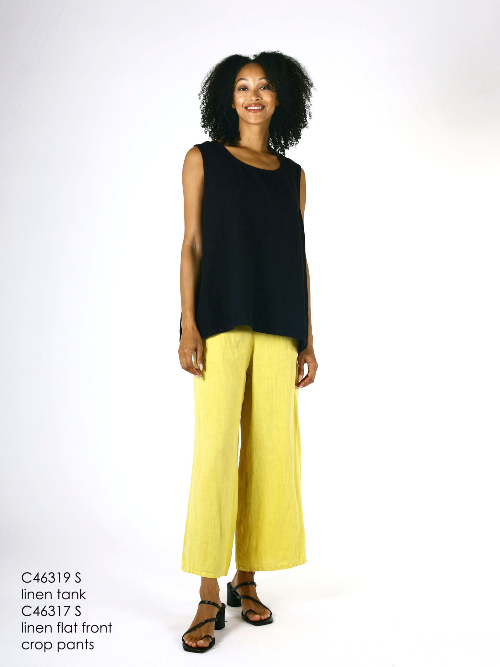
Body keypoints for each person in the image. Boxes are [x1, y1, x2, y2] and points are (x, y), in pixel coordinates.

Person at [178, 50, 318, 653]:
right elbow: (191, 244)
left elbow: (298, 257)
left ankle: (247, 579)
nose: (253, 96)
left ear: (281, 98)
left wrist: (308, 337)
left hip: (280, 326)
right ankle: (208, 593)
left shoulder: (293, 175)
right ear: (227, 99)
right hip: (220, 321)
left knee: (268, 452)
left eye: (263, 87)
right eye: (242, 87)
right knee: (215, 452)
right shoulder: (203, 159)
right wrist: (188, 324)